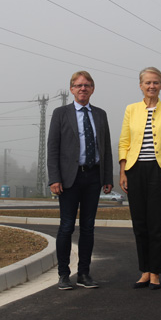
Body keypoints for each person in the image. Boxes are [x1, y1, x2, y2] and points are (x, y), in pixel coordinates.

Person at [47, 70, 113, 290]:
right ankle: (64, 274)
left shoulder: (100, 114)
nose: (82, 89)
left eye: (87, 85)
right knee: (66, 227)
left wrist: (107, 177)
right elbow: (53, 148)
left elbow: (106, 148)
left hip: (93, 177)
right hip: (68, 179)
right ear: (71, 89)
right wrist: (54, 178)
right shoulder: (60, 113)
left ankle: (84, 274)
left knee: (88, 227)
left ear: (92, 89)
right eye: (78, 85)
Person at [118, 67, 161, 290]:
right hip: (135, 170)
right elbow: (124, 141)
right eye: (147, 83)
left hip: (160, 170)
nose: (151, 86)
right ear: (140, 85)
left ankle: (156, 272)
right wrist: (123, 170)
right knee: (140, 223)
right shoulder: (131, 109)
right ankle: (144, 270)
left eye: (155, 82)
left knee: (157, 223)